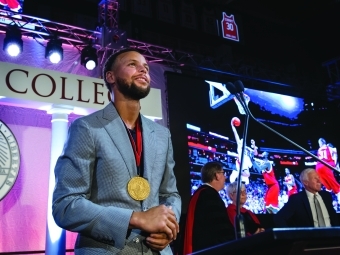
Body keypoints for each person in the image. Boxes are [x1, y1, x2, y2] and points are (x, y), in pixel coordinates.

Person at [52, 49, 181, 254]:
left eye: (146, 68)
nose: (143, 70)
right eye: (132, 64)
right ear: (110, 76)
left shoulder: (162, 134)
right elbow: (65, 206)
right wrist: (135, 218)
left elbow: (170, 194)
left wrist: (167, 225)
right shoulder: (86, 128)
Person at [183, 162, 234, 254]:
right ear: (217, 175)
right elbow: (221, 232)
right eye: (223, 173)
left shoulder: (201, 193)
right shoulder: (210, 196)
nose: (225, 177)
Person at [274, 168, 339, 228]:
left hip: (333, 237)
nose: (319, 181)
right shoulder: (296, 199)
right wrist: (291, 236)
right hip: (311, 239)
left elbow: (334, 218)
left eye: (319, 178)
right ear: (306, 182)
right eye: (315, 178)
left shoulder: (326, 196)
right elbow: (279, 218)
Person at [229, 119, 252, 185]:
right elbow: (235, 133)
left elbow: (254, 153)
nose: (242, 140)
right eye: (241, 140)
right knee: (247, 174)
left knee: (246, 181)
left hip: (246, 163)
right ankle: (237, 172)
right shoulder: (239, 145)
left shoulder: (247, 148)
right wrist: (232, 126)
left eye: (243, 140)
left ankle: (238, 175)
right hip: (241, 162)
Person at [316, 138, 340, 202]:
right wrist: (335, 165)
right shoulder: (330, 148)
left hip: (318, 168)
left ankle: (327, 201)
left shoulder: (319, 149)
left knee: (328, 188)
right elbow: (335, 156)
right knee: (337, 188)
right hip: (326, 166)